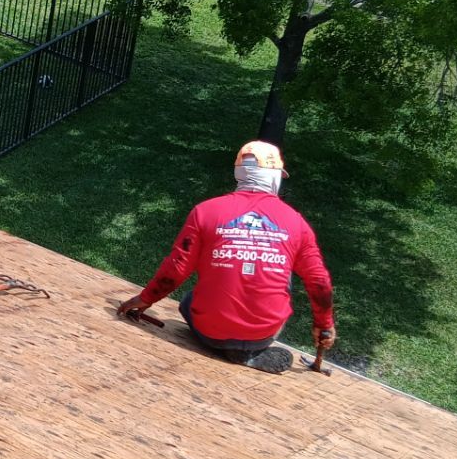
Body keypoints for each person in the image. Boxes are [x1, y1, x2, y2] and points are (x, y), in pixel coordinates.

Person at [117, 140, 336, 374]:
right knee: (283, 268)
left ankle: (228, 344)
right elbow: (319, 282)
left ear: (239, 173)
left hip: (208, 332)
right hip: (261, 335)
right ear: (274, 177)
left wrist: (146, 299)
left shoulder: (205, 211)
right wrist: (324, 326)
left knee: (188, 302)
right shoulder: (296, 223)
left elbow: (177, 267)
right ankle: (246, 351)